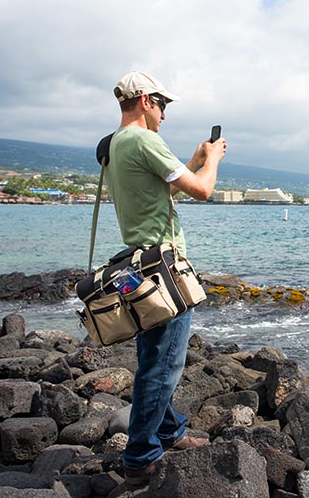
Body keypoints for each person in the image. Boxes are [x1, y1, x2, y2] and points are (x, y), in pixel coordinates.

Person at [106, 71, 227, 484]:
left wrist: (193, 162)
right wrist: (212, 161)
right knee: (164, 363)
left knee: (155, 357)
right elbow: (203, 191)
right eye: (163, 104)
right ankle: (139, 457)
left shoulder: (116, 145)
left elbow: (161, 192)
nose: (165, 113)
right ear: (144, 100)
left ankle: (169, 430)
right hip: (162, 267)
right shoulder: (144, 140)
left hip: (138, 265)